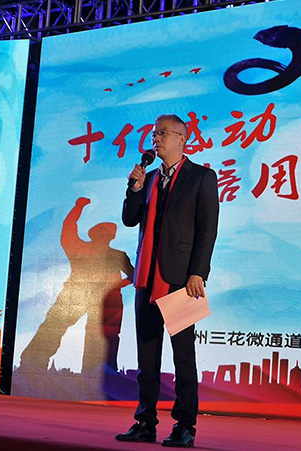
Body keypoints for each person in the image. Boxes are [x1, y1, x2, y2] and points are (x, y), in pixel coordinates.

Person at [116, 114, 219, 447]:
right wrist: (134, 189)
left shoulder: (202, 177)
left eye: (162, 133)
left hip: (181, 279)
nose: (156, 139)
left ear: (181, 139)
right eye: (154, 134)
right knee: (146, 356)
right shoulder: (147, 178)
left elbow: (207, 229)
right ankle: (145, 421)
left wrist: (198, 273)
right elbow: (130, 219)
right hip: (146, 277)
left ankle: (185, 425)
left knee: (183, 356)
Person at [19, 197, 133, 397]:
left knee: (102, 335)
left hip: (105, 298)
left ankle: (99, 373)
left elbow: (134, 276)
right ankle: (32, 363)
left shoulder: (116, 255)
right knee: (54, 326)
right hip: (78, 292)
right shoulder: (86, 249)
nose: (103, 238)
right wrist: (77, 207)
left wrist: (114, 286)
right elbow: (68, 229)